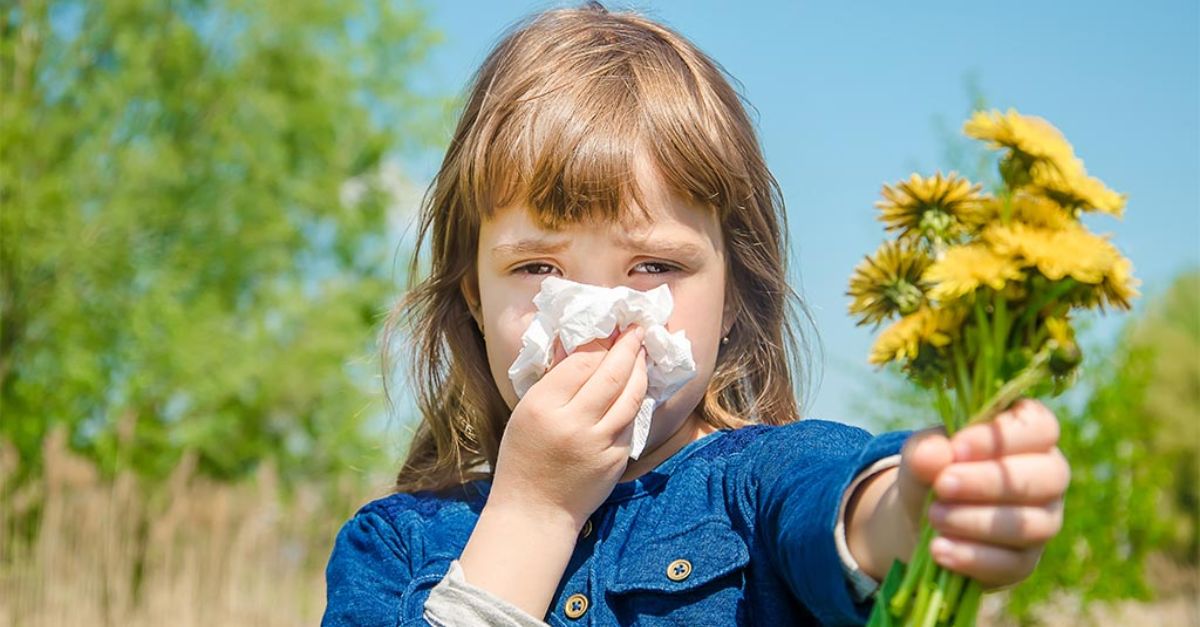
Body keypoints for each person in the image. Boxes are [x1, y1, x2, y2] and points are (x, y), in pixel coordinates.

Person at [321, 2, 1070, 625]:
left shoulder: (760, 483)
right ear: (474, 297)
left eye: (655, 267)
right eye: (537, 268)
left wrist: (925, 504)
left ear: (734, 293)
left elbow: (847, 510)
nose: (603, 318)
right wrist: (535, 511)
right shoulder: (396, 548)